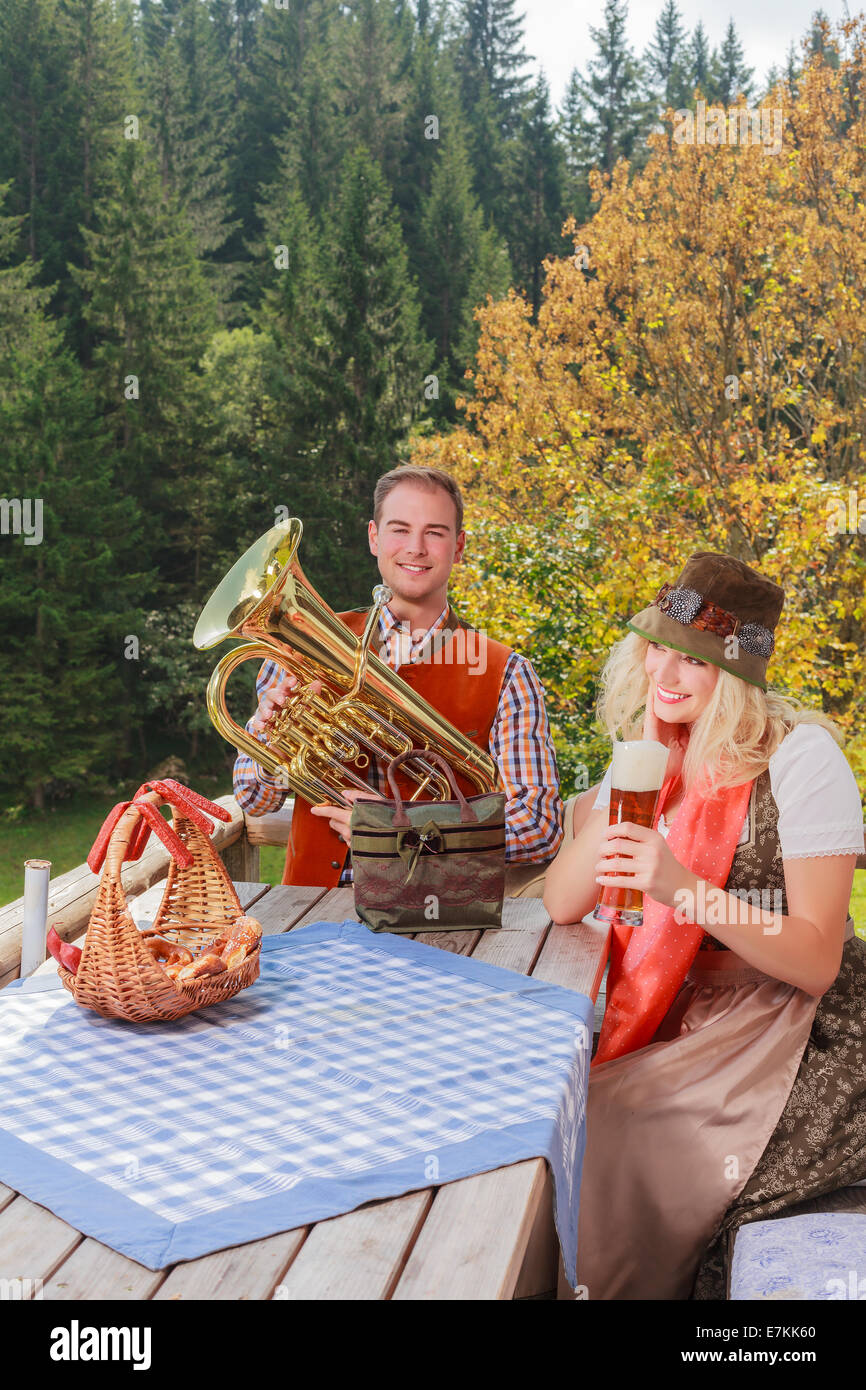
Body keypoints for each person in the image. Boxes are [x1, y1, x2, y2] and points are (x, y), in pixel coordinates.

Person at [544, 551, 866, 1299]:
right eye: (659, 646)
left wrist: (681, 888)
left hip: (803, 1025)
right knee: (552, 1108)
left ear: (743, 676)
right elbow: (563, 900)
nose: (668, 672)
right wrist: (638, 769)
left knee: (609, 1126)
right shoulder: (664, 757)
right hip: (698, 1016)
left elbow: (818, 957)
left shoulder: (801, 758)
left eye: (695, 661)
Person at [234, 465, 563, 895]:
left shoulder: (507, 672)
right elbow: (255, 799)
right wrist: (269, 743)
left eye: (435, 533)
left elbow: (539, 825)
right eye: (400, 529)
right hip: (310, 905)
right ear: (374, 538)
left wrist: (409, 834)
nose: (415, 548)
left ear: (459, 546)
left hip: (437, 914)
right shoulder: (300, 644)